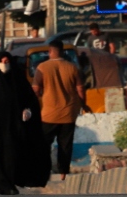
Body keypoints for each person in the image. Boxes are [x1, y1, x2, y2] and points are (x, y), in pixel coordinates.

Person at [0, 52, 50, 194]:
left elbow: (30, 100)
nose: (4, 65)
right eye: (1, 62)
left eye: (7, 62)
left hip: (13, 128)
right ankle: (1, 184)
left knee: (11, 154)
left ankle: (11, 182)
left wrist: (28, 110)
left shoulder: (18, 81)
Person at [33, 40, 88, 180]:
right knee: (65, 145)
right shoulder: (73, 68)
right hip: (68, 114)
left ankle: (43, 172)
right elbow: (80, 89)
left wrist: (35, 104)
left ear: (50, 51)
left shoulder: (42, 67)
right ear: (62, 51)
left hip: (48, 115)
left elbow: (36, 89)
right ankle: (63, 174)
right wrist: (83, 104)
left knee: (44, 145)